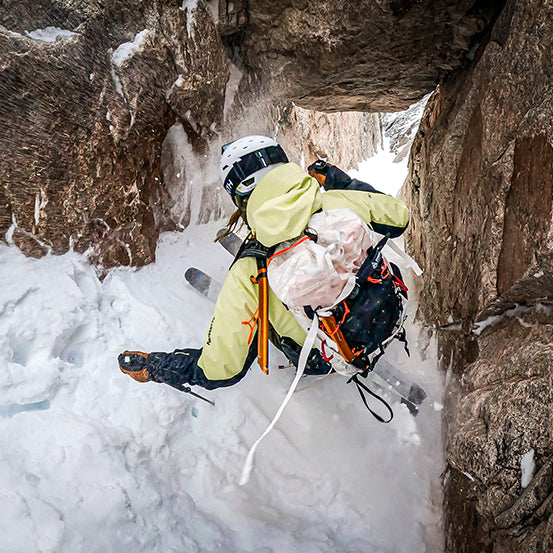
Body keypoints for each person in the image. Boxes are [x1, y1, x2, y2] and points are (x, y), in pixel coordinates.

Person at [118, 135, 409, 392]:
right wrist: (337, 180)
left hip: (319, 358)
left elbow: (220, 369)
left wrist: (156, 366)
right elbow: (398, 217)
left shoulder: (250, 269)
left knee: (264, 299)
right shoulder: (337, 201)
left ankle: (259, 314)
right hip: (389, 311)